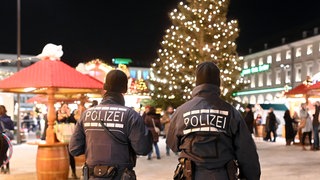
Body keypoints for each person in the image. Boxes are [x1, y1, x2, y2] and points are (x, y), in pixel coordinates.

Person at [166, 62, 261, 180]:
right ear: (218, 83)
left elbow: (172, 144)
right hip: (222, 175)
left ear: (197, 83)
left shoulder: (181, 112)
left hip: (190, 174)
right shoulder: (231, 112)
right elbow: (247, 152)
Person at [69, 69, 152, 180]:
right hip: (121, 175)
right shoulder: (131, 115)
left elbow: (74, 149)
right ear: (124, 89)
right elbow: (143, 149)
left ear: (105, 87)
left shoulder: (86, 114)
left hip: (92, 175)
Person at [55, 103, 78, 179]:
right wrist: (65, 116)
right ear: (60, 108)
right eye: (64, 107)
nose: (65, 108)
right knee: (61, 157)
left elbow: (75, 122)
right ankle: (61, 174)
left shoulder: (70, 115)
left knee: (71, 156)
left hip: (69, 139)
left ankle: (73, 173)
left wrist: (69, 115)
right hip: (59, 139)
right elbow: (59, 121)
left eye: (67, 107)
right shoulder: (57, 114)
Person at [0, 105, 14, 174]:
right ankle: (7, 168)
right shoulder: (9, 119)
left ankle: (2, 168)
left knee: (1, 154)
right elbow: (12, 128)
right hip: (7, 138)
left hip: (1, 138)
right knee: (4, 153)